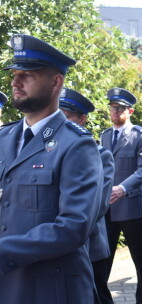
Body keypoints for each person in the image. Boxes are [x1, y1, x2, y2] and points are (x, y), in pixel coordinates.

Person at [0, 34, 103, 303]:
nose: (15, 82)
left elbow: (73, 227)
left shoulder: (76, 144)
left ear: (56, 82)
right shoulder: (3, 138)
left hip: (48, 289)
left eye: (27, 75)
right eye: (15, 74)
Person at [58, 87, 115, 304]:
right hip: (58, 247)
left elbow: (98, 205)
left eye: (67, 117)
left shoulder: (101, 155)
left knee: (97, 296)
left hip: (89, 245)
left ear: (82, 119)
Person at [101, 88, 142, 304]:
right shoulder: (104, 135)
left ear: (130, 111)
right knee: (103, 259)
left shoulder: (140, 135)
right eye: (112, 108)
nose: (114, 112)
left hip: (132, 208)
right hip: (107, 209)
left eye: (119, 108)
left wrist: (122, 188)